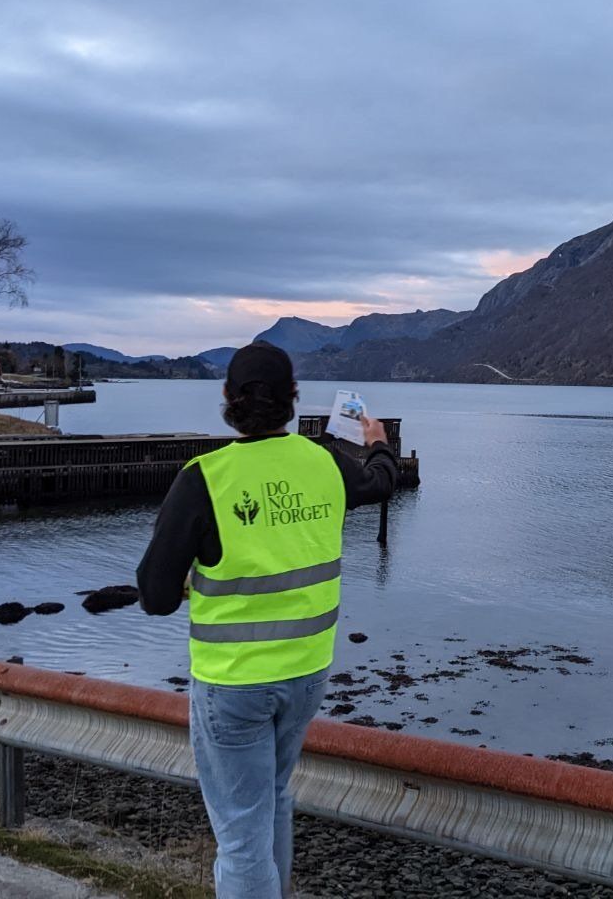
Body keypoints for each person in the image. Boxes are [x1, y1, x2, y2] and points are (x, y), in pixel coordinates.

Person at [136, 341, 397, 898]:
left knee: (239, 836)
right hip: (306, 672)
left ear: (228, 398)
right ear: (292, 400)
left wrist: (191, 582)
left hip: (233, 681)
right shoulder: (322, 462)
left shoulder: (204, 479)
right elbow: (380, 482)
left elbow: (155, 595)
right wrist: (378, 444)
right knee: (273, 800)